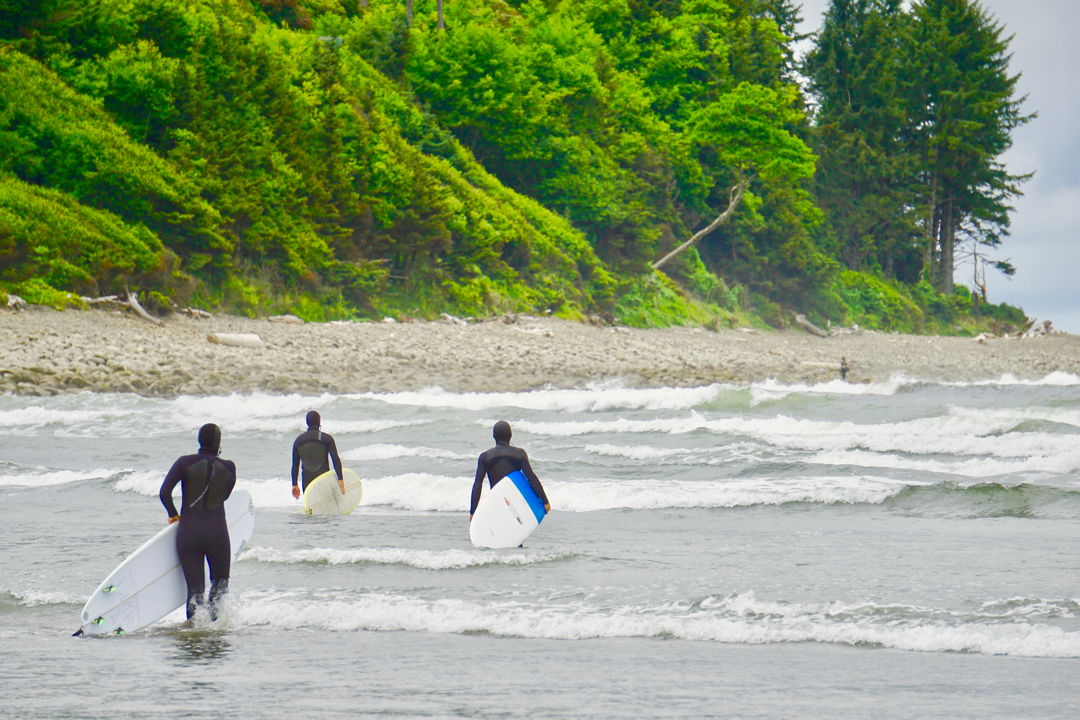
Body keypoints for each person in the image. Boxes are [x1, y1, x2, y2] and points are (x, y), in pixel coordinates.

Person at [159, 423, 236, 620]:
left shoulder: (184, 463)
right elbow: (224, 496)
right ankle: (215, 631)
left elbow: (165, 492)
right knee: (220, 585)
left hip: (189, 532)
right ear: (218, 442)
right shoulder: (229, 467)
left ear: (199, 440)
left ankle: (195, 636)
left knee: (195, 591)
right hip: (217, 533)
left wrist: (173, 514)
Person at [470, 420, 550, 520]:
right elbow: (531, 478)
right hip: (516, 504)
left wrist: (473, 511)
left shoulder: (485, 457)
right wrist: (544, 501)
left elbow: (478, 484)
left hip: (496, 503)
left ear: (494, 436)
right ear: (510, 435)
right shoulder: (520, 454)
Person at [291, 410, 344, 499]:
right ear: (319, 422)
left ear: (307, 422)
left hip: (307, 481)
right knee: (325, 505)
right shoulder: (327, 438)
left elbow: (295, 465)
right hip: (323, 479)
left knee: (311, 507)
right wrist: (340, 478)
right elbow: (335, 458)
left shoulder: (298, 440)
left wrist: (294, 484)